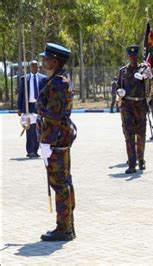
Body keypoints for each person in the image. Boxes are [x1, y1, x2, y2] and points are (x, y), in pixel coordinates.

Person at [37, 43, 77, 241]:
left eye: (46, 58)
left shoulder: (58, 83)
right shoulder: (56, 80)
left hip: (56, 140)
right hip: (59, 138)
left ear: (55, 61)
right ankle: (67, 224)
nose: (43, 61)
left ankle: (64, 228)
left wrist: (46, 143)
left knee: (60, 184)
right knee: (64, 182)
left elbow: (53, 116)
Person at [117, 45, 150, 174]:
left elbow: (150, 82)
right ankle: (132, 163)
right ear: (128, 57)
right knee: (129, 135)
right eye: (131, 56)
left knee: (141, 135)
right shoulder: (123, 71)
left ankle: (141, 160)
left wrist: (144, 77)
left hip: (140, 105)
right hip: (127, 106)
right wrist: (119, 92)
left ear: (137, 56)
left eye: (135, 56)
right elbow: (118, 86)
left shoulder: (144, 69)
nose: (133, 58)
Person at [17, 60, 47, 158]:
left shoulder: (43, 79)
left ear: (38, 67)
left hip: (39, 106)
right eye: (33, 66)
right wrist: (19, 108)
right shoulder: (24, 79)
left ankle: (35, 150)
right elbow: (21, 94)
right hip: (28, 107)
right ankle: (30, 151)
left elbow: (46, 94)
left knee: (38, 129)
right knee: (29, 129)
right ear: (30, 67)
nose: (34, 68)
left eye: (36, 66)